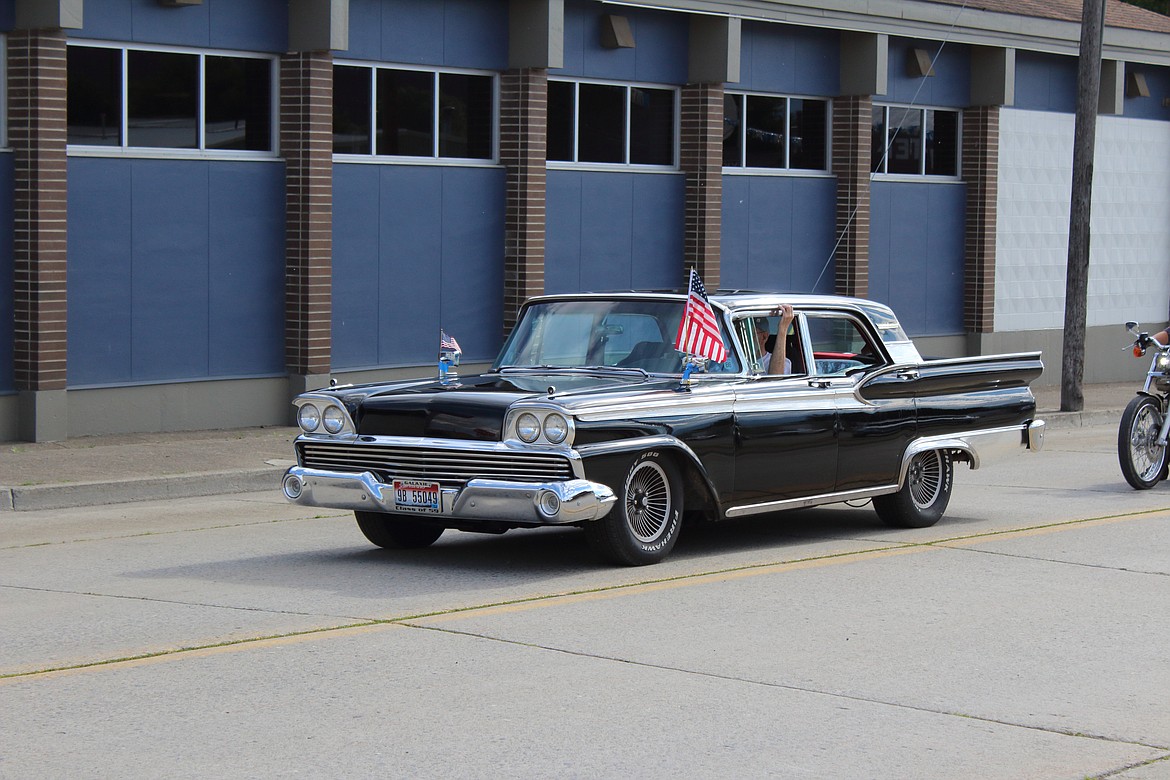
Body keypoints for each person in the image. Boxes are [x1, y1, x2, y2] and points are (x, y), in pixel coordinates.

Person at [754, 304, 795, 375]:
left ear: (764, 337)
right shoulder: (738, 361)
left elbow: (776, 378)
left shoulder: (783, 363)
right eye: (739, 333)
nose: (741, 338)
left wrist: (783, 328)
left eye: (750, 334)